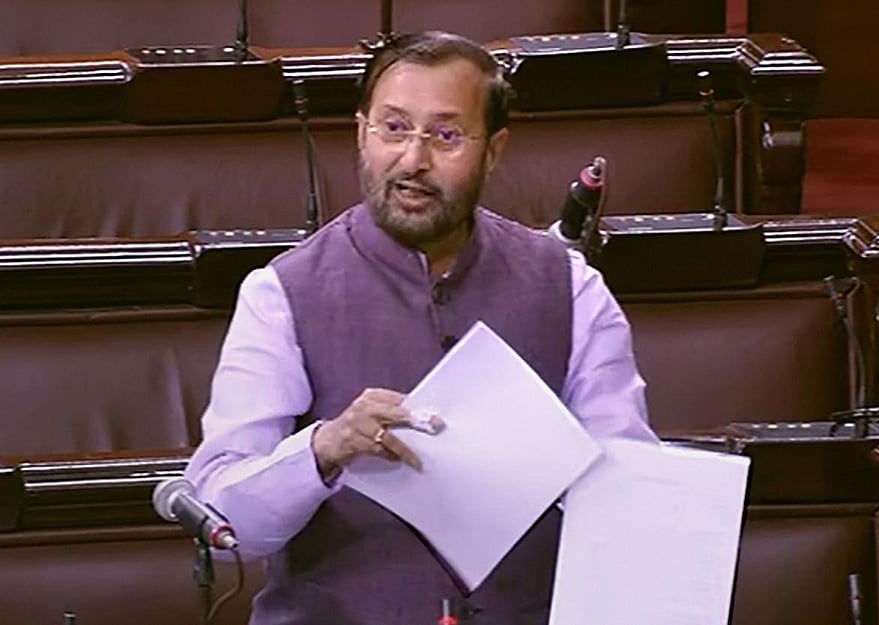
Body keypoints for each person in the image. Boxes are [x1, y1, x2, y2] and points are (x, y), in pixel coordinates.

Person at [185, 30, 656, 625]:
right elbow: (226, 521)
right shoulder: (280, 293)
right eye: (394, 128)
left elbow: (629, 492)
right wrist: (324, 449)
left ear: (494, 151)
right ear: (361, 133)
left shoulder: (570, 287)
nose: (413, 160)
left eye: (446, 135)